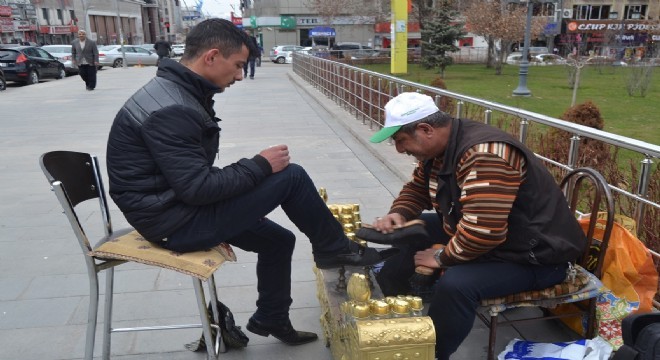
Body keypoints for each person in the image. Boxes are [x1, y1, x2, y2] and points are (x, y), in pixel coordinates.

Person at [106, 18, 395, 347]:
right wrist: (259, 165)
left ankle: (271, 318)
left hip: (172, 208)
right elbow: (197, 188)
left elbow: (189, 179)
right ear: (212, 57)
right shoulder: (173, 108)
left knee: (279, 240)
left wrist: (255, 170)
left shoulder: (175, 92)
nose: (241, 75)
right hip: (174, 221)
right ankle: (334, 250)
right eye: (238, 65)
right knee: (291, 176)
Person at [366, 92, 587, 360]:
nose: (400, 149)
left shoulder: (485, 155)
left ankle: (431, 352)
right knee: (413, 229)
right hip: (502, 239)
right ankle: (402, 299)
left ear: (425, 129)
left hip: (537, 256)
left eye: (400, 140)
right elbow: (417, 188)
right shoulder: (440, 149)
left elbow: (484, 232)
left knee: (457, 285)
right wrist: (399, 214)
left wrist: (441, 258)